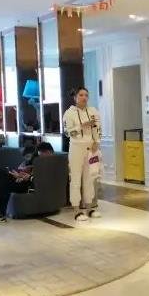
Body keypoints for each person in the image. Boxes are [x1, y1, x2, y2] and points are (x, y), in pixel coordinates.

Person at [63, 87, 102, 222]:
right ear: (75, 97)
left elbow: (98, 128)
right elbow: (67, 133)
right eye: (81, 95)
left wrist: (97, 142)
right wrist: (82, 126)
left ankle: (90, 208)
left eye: (86, 95)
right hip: (76, 148)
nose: (84, 97)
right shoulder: (69, 113)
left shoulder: (93, 111)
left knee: (90, 178)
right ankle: (76, 210)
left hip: (91, 148)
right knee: (75, 179)